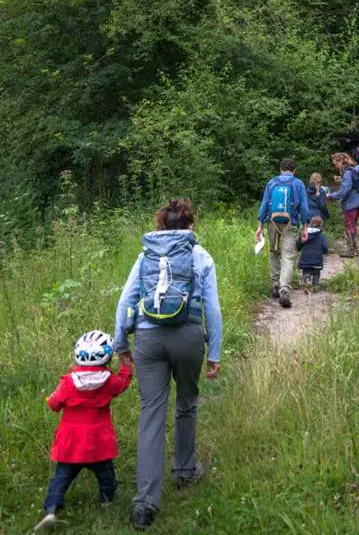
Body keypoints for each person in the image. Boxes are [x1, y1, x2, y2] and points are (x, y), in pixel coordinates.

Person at [114, 198, 222, 531]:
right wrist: (214, 351)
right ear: (190, 226)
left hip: (148, 339)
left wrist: (121, 343)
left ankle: (145, 503)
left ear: (160, 226)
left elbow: (125, 300)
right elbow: (212, 309)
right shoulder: (199, 255)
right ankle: (184, 471)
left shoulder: (145, 255)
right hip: (188, 337)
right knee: (187, 403)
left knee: (151, 415)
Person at [34, 330, 132, 532]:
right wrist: (126, 367)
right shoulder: (108, 381)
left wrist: (53, 397)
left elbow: (54, 404)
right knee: (106, 474)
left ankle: (51, 510)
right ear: (106, 357)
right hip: (98, 440)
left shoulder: (68, 381)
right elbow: (122, 384)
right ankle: (107, 502)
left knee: (61, 477)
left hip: (71, 441)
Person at [255, 158, 309, 309]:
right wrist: (305, 227)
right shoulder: (298, 184)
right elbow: (304, 207)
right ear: (294, 171)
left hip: (272, 222)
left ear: (280, 169)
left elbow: (264, 204)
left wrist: (260, 226)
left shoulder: (272, 182)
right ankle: (284, 289)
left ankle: (274, 286)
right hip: (290, 223)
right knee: (288, 256)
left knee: (274, 252)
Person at [327, 152, 359, 257]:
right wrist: (341, 181)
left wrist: (331, 196)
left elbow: (345, 190)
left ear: (342, 161)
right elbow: (352, 184)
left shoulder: (347, 172)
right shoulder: (352, 169)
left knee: (349, 225)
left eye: (336, 162)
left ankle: (351, 251)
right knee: (354, 225)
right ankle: (356, 249)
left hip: (351, 203)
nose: (335, 165)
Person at [296, 215, 328, 290]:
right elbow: (325, 247)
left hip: (305, 258)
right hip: (317, 259)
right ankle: (315, 284)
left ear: (310, 223)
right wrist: (324, 251)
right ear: (321, 225)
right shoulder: (321, 236)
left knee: (306, 270)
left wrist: (299, 248)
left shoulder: (304, 234)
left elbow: (298, 244)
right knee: (316, 272)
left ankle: (306, 278)